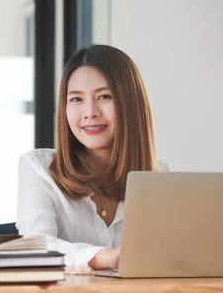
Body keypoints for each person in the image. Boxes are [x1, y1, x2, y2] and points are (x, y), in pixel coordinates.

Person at [16, 44, 171, 271]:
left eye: (104, 96)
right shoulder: (39, 168)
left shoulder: (159, 176)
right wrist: (103, 257)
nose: (90, 112)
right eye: (76, 99)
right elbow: (36, 247)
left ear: (131, 104)